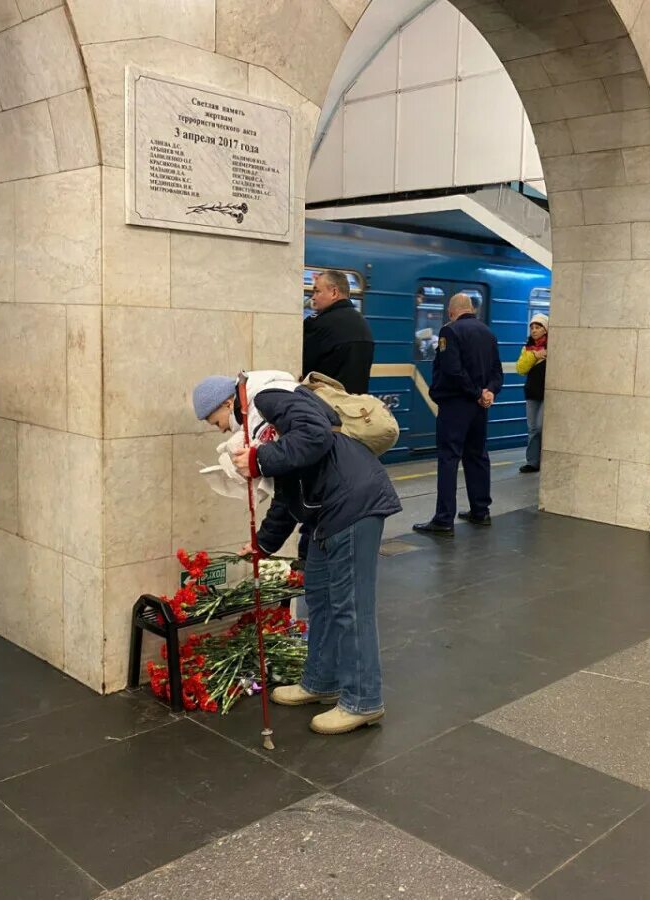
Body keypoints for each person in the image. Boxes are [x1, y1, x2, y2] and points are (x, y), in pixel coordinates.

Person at [192, 371, 401, 735]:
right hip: (324, 512)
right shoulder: (261, 425)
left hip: (352, 503)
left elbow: (316, 435)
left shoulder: (266, 398)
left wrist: (258, 460)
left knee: (351, 608)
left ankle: (363, 700)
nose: (221, 430)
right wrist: (261, 545)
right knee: (319, 597)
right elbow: (288, 493)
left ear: (227, 403)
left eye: (217, 421)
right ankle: (321, 681)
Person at [413, 294, 503, 536]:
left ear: (452, 312)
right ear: (471, 309)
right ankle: (480, 511)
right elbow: (497, 371)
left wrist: (475, 393)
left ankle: (444, 519)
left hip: (456, 405)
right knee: (477, 455)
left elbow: (452, 370)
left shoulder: (449, 331)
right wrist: (489, 392)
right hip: (479, 408)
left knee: (449, 458)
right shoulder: (488, 333)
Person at [302, 270, 374, 395]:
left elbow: (304, 367)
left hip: (324, 404)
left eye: (317, 291)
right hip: (354, 407)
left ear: (334, 292)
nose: (313, 297)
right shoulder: (362, 323)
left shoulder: (319, 324)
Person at [516, 313, 548, 474]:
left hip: (547, 394)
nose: (534, 331)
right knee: (533, 428)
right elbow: (521, 369)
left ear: (545, 329)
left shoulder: (552, 347)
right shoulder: (528, 348)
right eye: (532, 328)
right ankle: (532, 462)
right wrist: (535, 355)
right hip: (532, 393)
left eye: (538, 327)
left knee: (542, 426)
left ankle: (544, 458)